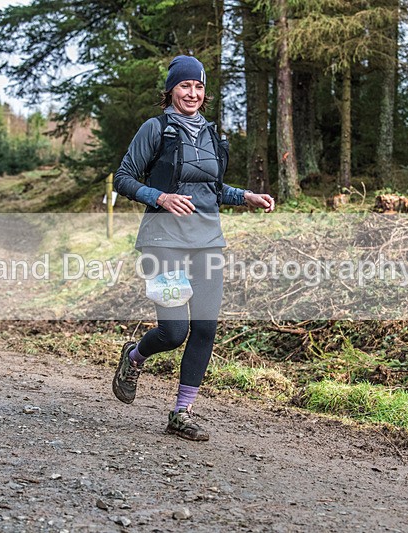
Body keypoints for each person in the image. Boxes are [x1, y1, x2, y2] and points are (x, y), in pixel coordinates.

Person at [111, 55, 275, 441]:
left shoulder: (213, 136)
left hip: (207, 243)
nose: (193, 93)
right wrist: (160, 197)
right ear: (170, 90)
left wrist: (245, 196)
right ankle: (135, 356)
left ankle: (181, 413)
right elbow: (123, 178)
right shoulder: (156, 129)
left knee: (204, 328)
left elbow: (213, 190)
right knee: (174, 330)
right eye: (185, 86)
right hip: (163, 242)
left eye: (199, 87)